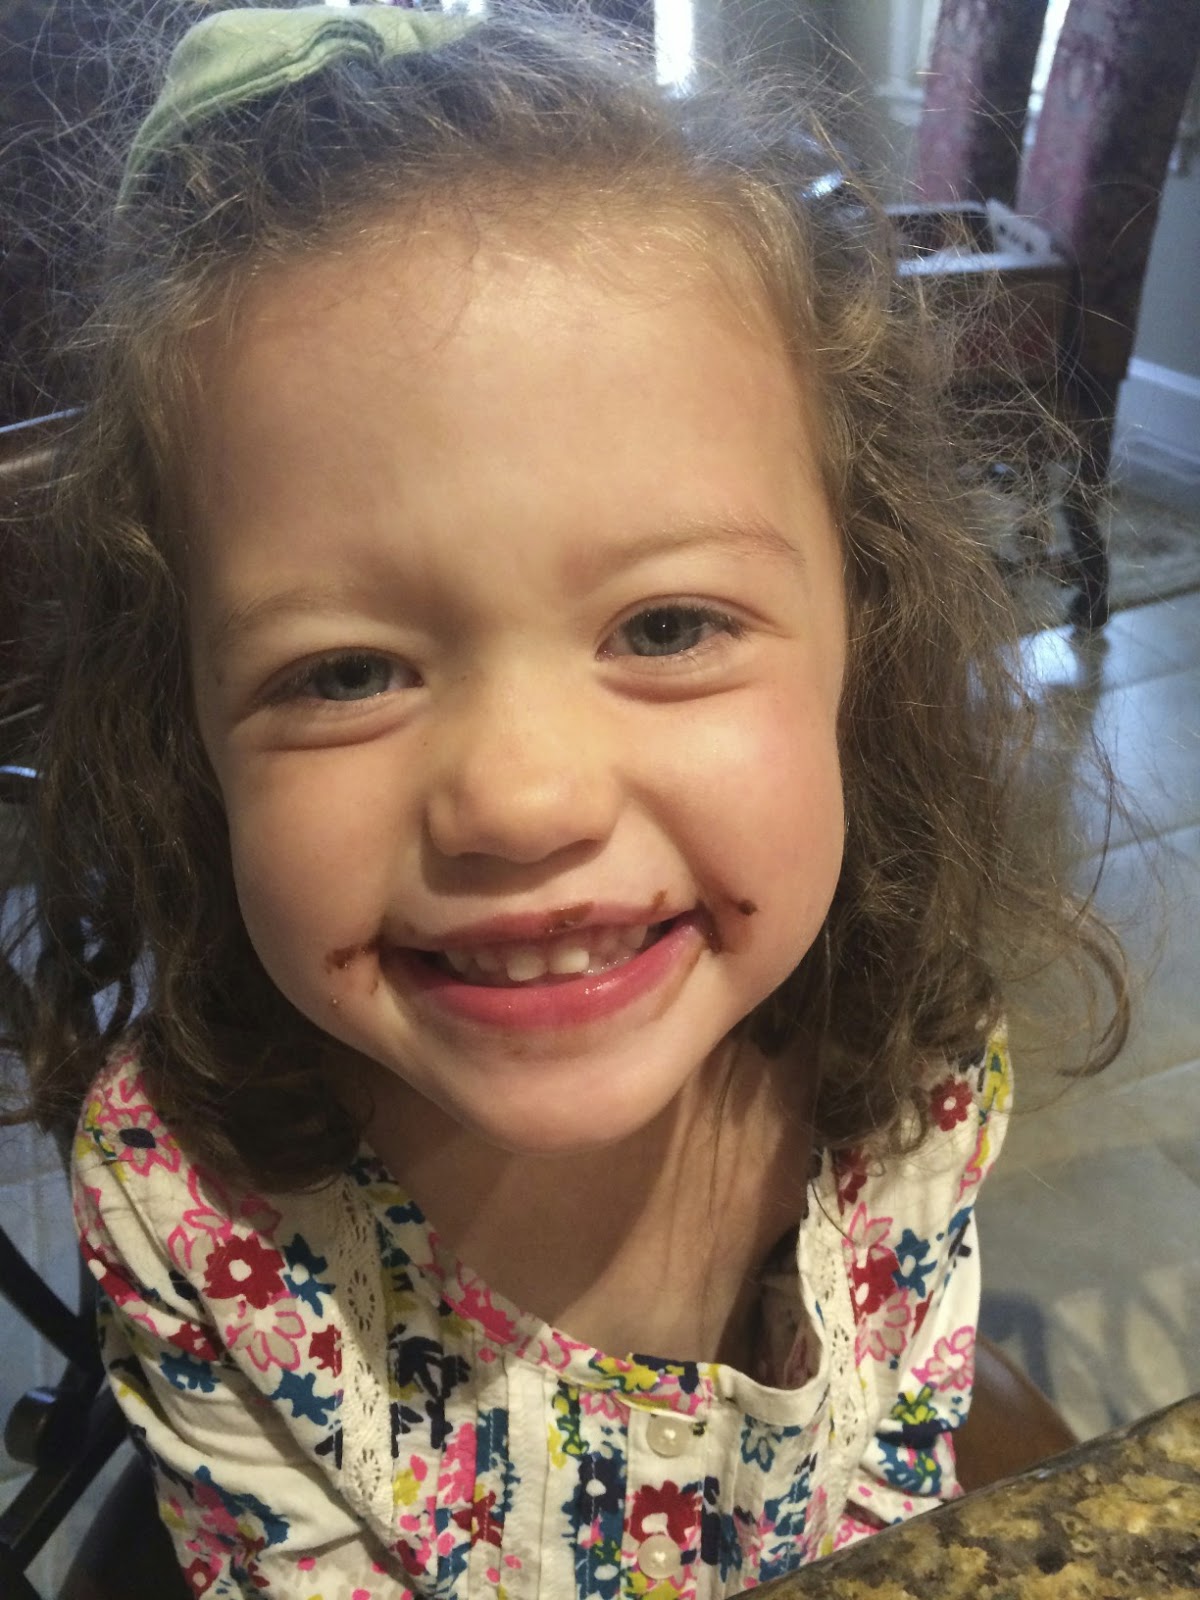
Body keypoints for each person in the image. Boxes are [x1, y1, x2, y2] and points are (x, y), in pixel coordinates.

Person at [2, 4, 1126, 1595]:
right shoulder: (194, 1206)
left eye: (665, 629)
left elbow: (891, 1481)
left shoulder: (909, 1069)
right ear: (183, 732)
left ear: (861, 648)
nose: (521, 801)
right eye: (345, 672)